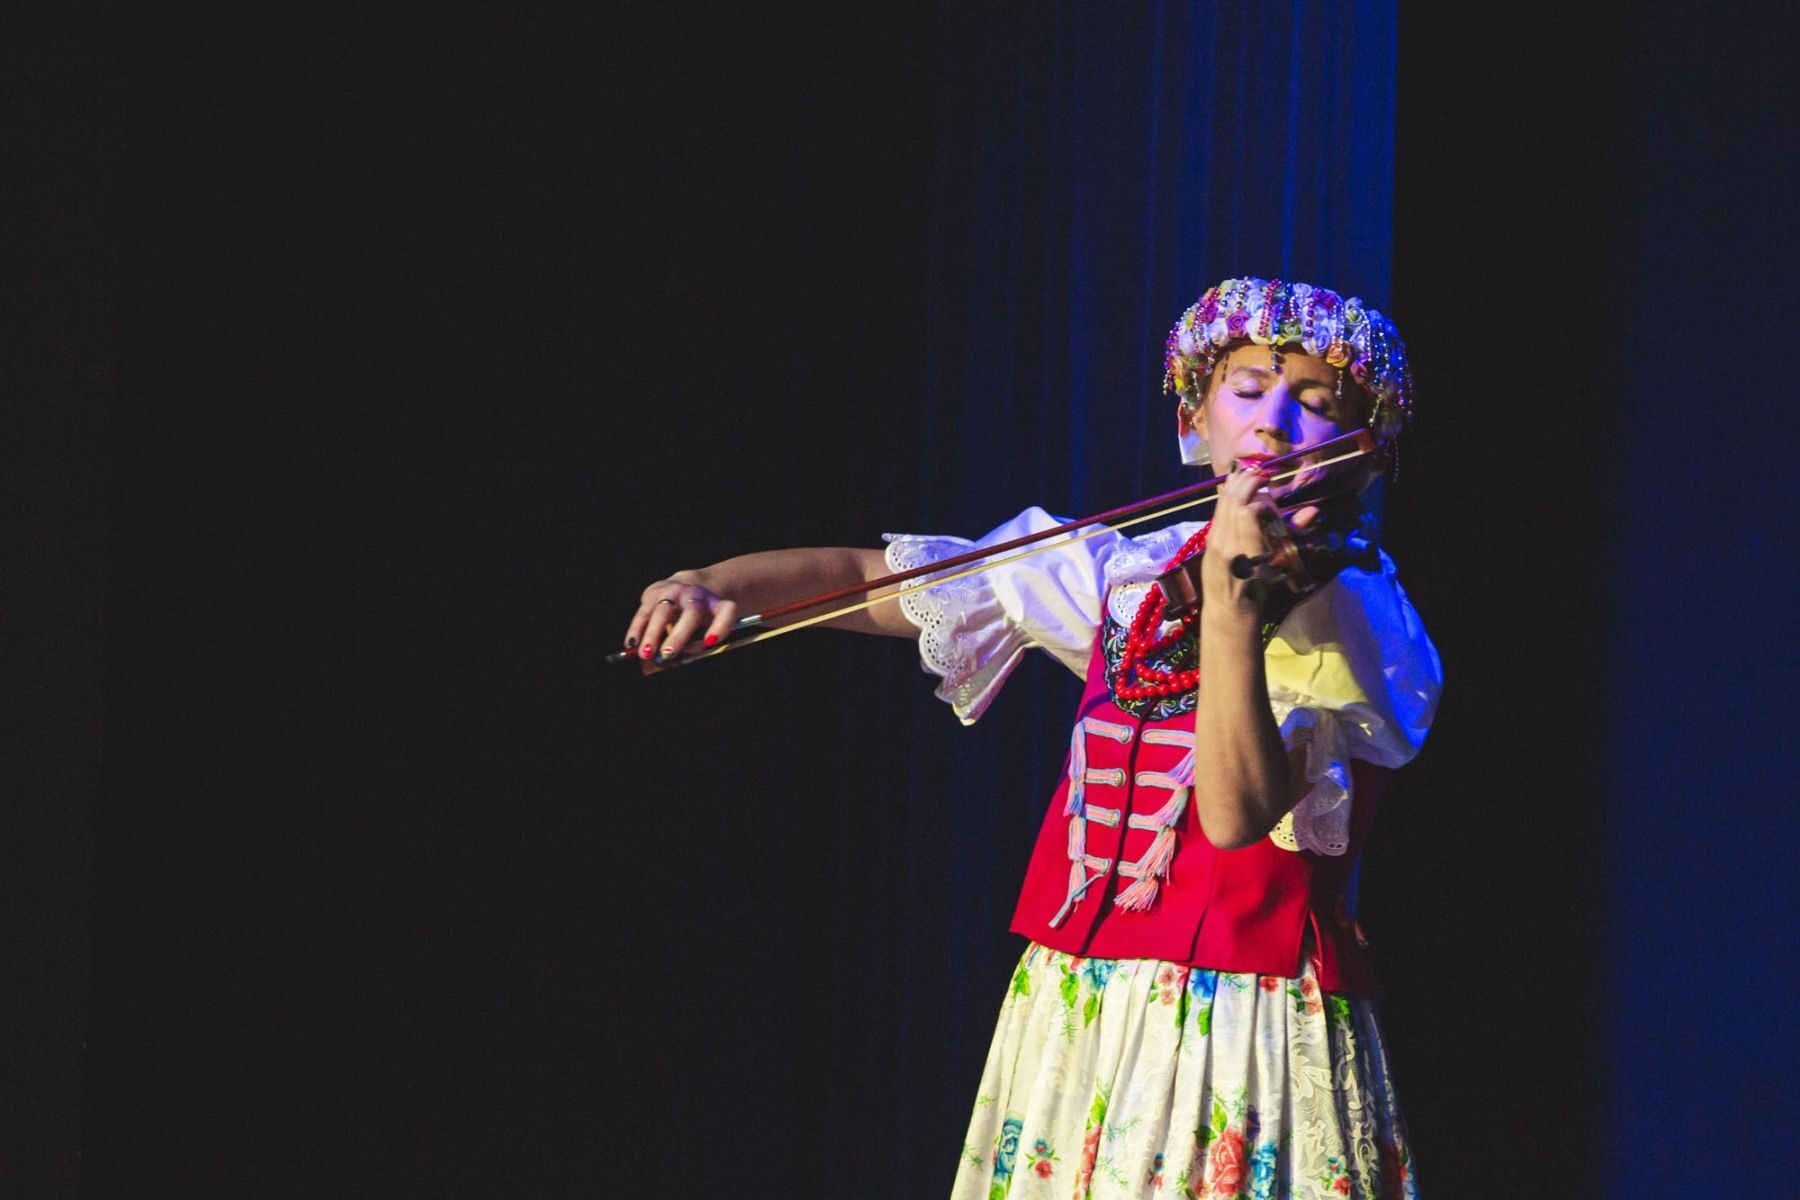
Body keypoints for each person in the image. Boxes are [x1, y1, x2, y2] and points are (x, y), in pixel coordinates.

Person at [623, 278, 1441, 1199]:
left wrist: (1233, 607)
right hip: (1076, 1004)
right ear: (1196, 419)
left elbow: (1234, 814)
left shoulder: (1353, 613)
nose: (1274, 423)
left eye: (1316, 404)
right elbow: (875, 578)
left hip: (1238, 1022)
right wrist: (714, 584)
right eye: (1247, 390)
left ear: (1364, 449)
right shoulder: (1134, 570)